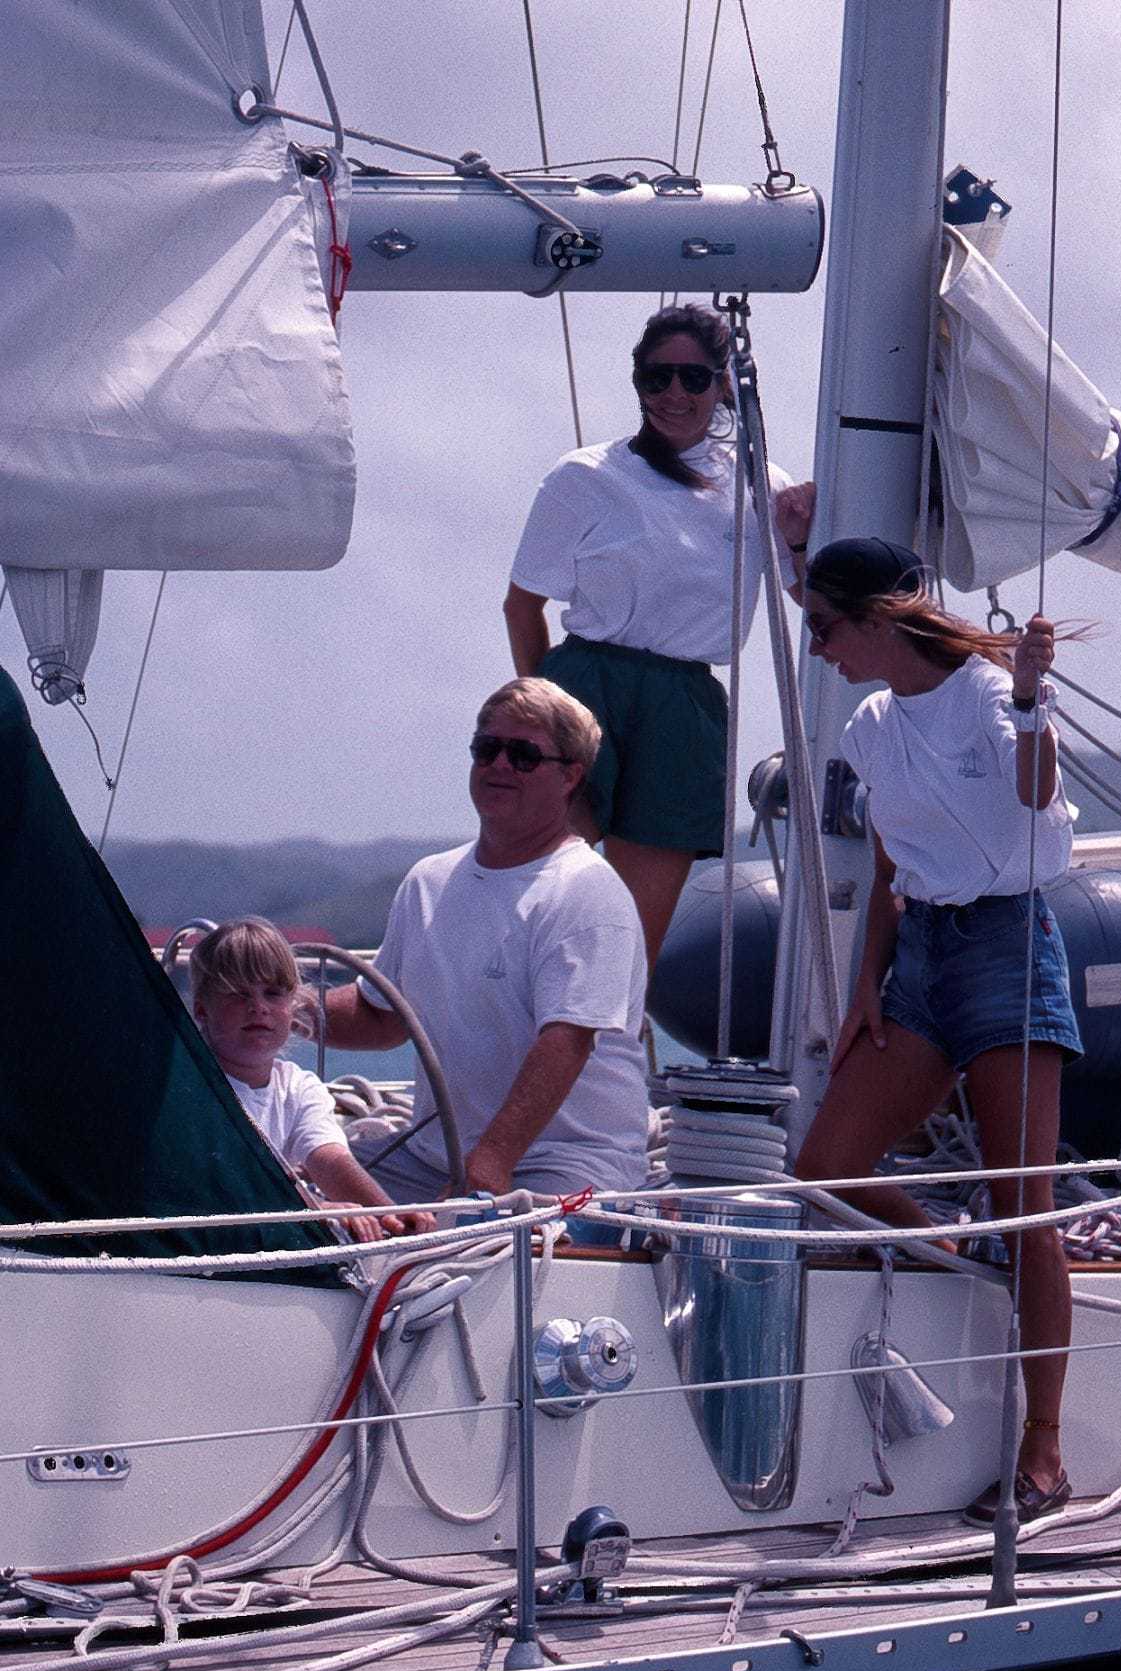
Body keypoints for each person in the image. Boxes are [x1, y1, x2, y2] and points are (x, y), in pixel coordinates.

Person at [792, 536, 1083, 1527]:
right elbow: (888, 865)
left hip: (1008, 945)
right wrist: (865, 986)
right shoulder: (870, 724)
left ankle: (1046, 1452)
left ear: (877, 620)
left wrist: (1034, 697)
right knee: (825, 1167)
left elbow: (1036, 793)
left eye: (824, 625)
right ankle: (962, 1258)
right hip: (920, 958)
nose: (816, 645)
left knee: (1024, 1202)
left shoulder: (992, 693)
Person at [503, 301, 815, 972]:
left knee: (631, 940)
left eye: (693, 377)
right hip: (583, 689)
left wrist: (798, 540)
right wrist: (540, 717)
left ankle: (614, 1031)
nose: (675, 393)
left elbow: (819, 609)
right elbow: (522, 606)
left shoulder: (762, 486)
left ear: (723, 385)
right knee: (544, 904)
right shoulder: (584, 476)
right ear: (638, 383)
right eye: (657, 377)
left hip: (686, 705)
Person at [322, 678, 650, 1203]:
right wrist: (272, 1007)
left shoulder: (586, 892)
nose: (499, 765)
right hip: (433, 1156)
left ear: (570, 775)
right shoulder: (428, 881)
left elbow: (565, 1043)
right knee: (283, 1190)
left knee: (486, 1236)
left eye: (523, 755)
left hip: (566, 1161)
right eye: (487, 748)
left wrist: (488, 1167)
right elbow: (384, 1017)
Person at [190, 918, 433, 1241]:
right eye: (239, 994)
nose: (258, 1007)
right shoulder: (190, 1088)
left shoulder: (299, 1088)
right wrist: (315, 1209)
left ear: (294, 1008)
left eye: (273, 993)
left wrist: (388, 1215)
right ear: (202, 1010)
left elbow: (328, 1159)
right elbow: (228, 1181)